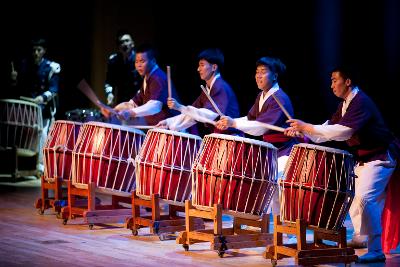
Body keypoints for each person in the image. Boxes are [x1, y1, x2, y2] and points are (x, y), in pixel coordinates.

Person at [284, 66, 399, 263]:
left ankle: (376, 248)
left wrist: (308, 127)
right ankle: (363, 239)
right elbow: (329, 127)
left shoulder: (360, 101)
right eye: (330, 81)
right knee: (356, 197)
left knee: (365, 198)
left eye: (335, 80)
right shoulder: (346, 103)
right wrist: (304, 132)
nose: (331, 85)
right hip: (365, 158)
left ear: (348, 81)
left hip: (381, 157)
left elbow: (343, 132)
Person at [215, 56, 298, 215]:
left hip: (285, 152)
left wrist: (234, 124)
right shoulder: (262, 96)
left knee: (274, 189)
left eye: (263, 72)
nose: (258, 76)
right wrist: (229, 122)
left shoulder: (279, 98)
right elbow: (250, 119)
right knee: (270, 191)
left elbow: (261, 127)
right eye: (256, 72)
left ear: (274, 75)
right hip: (271, 153)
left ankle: (282, 232)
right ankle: (272, 230)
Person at [156, 48, 241, 136]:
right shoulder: (207, 90)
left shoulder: (220, 87)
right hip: (220, 136)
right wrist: (168, 123)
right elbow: (192, 114)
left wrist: (180, 107)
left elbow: (207, 114)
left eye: (202, 65)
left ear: (214, 67)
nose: (198, 69)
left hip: (232, 137)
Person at [10, 37, 61, 172]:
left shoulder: (51, 67)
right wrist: (15, 79)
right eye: (34, 50)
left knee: (44, 135)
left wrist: (42, 97)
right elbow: (20, 86)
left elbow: (54, 89)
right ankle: (32, 165)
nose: (36, 53)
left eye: (39, 50)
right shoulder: (25, 65)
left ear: (44, 51)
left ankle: (44, 166)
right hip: (30, 109)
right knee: (30, 136)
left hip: (45, 109)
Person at [102, 44, 179, 125]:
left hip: (172, 129)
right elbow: (133, 104)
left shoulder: (157, 78)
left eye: (142, 61)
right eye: (136, 61)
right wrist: (114, 110)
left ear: (153, 61)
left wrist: (130, 113)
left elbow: (154, 106)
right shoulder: (148, 78)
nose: (138, 65)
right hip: (160, 128)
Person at [104, 31, 142, 106]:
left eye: (127, 41)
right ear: (119, 47)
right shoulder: (114, 60)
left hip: (138, 102)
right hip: (121, 102)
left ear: (132, 44)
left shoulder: (140, 60)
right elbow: (109, 82)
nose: (124, 44)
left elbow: (146, 82)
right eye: (121, 42)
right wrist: (109, 93)